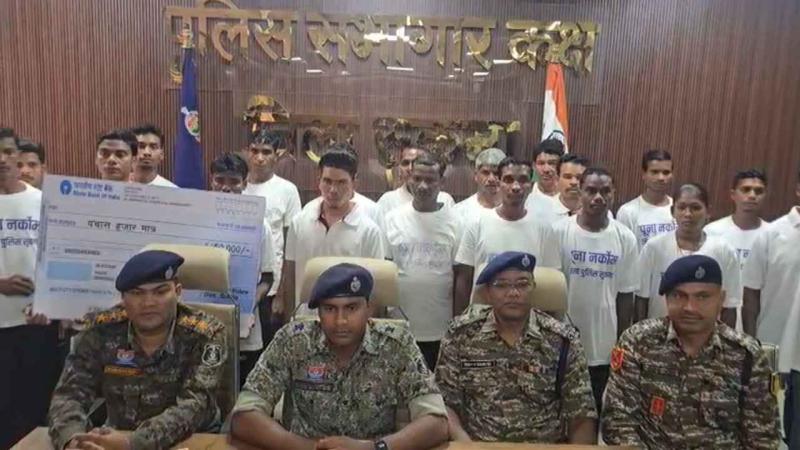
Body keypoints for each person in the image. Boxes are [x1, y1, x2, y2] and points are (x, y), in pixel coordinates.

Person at [229, 263, 449, 450]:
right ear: (318, 312)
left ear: (369, 308)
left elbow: (437, 422)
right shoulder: (293, 341)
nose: (340, 321)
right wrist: (310, 448)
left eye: (351, 308)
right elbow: (243, 416)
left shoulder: (397, 344)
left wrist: (372, 448)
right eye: (330, 309)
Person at [48, 250, 228, 450]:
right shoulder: (101, 330)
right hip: (116, 438)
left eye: (160, 292)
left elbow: (196, 404)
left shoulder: (206, 334)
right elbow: (69, 395)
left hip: (192, 439)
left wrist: (133, 443)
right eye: (137, 293)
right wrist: (73, 440)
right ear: (122, 298)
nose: (148, 303)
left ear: (177, 292)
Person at [602, 254, 780, 449]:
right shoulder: (638, 343)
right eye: (679, 296)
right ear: (666, 299)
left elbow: (762, 437)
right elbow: (618, 422)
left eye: (702, 297)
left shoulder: (746, 355)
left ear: (721, 299)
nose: (690, 307)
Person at [435, 251, 597, 443]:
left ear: (533, 288)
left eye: (522, 284)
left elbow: (581, 414)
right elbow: (445, 404)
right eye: (501, 285)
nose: (513, 293)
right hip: (479, 445)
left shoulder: (562, 340)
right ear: (487, 293)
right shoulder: (460, 335)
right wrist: (466, 446)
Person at [551, 167, 639, 412]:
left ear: (613, 193)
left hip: (604, 347)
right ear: (580, 192)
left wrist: (621, 345)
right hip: (563, 346)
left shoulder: (625, 237)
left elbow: (626, 297)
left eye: (605, 191)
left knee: (596, 413)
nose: (598, 197)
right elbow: (550, 297)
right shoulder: (558, 231)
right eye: (591, 190)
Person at [0, 127, 60, 449]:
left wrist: (50, 302)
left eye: (8, 152)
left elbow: (61, 258)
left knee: (37, 409)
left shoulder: (43, 201)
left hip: (37, 324)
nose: (2, 159)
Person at [281, 146, 384, 317]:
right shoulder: (299, 222)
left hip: (349, 323)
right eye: (327, 181)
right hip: (305, 320)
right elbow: (290, 277)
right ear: (319, 181)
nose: (333, 190)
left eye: (341, 182)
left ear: (354, 183)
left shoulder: (369, 231)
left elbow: (376, 287)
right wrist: (289, 321)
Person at [384, 151, 461, 370]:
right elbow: (384, 274)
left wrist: (457, 324)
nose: (423, 186)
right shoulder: (392, 219)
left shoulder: (456, 222)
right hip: (400, 327)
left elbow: (461, 278)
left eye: (430, 180)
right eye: (417, 178)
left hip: (441, 328)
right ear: (409, 178)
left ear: (441, 182)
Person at [454, 157, 560, 314]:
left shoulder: (544, 228)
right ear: (499, 183)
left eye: (523, 180)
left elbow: (551, 286)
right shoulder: (477, 223)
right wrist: (460, 321)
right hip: (482, 320)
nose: (516, 187)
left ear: (531, 185)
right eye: (509, 180)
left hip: (527, 321)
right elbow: (464, 280)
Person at [207, 153, 276, 384]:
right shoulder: (196, 219)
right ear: (211, 181)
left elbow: (267, 277)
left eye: (234, 182)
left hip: (245, 325)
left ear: (245, 183)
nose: (226, 188)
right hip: (202, 320)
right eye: (220, 180)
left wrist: (248, 306)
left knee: (242, 387)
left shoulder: (261, 225)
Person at [636, 183, 739, 328]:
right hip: (660, 335)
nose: (688, 214)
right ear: (672, 211)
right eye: (682, 207)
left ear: (708, 212)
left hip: (705, 335)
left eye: (695, 208)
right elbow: (641, 299)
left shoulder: (724, 251)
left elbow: (729, 306)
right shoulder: (654, 247)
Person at [242, 130, 302, 343]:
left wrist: (281, 294)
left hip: (272, 288)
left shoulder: (287, 190)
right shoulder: (236, 187)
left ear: (277, 155)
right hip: (240, 284)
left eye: (266, 152)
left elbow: (291, 247)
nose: (260, 158)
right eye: (255, 151)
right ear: (247, 152)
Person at [743, 166, 800, 371]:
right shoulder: (771, 235)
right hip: (774, 352)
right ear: (798, 189)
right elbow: (750, 295)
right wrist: (752, 348)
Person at [705, 169, 768, 334]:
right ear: (733, 194)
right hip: (717, 319)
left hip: (758, 322)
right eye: (746, 190)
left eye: (758, 191)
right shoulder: (712, 232)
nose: (752, 195)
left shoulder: (772, 236)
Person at [617, 149, 677, 249]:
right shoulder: (628, 212)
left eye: (666, 172)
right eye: (655, 172)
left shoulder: (680, 210)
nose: (661, 178)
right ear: (644, 174)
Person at [377, 145, 454, 219]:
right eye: (406, 163)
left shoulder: (445, 200)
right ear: (399, 167)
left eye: (417, 162)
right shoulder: (387, 200)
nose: (410, 168)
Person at [529, 154, 592, 226]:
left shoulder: (596, 215)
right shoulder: (541, 213)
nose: (574, 182)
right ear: (557, 179)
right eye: (567, 177)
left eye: (579, 177)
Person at [452, 147, 505, 225]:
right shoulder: (459, 212)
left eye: (496, 173)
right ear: (476, 175)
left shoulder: (516, 211)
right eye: (486, 173)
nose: (491, 179)